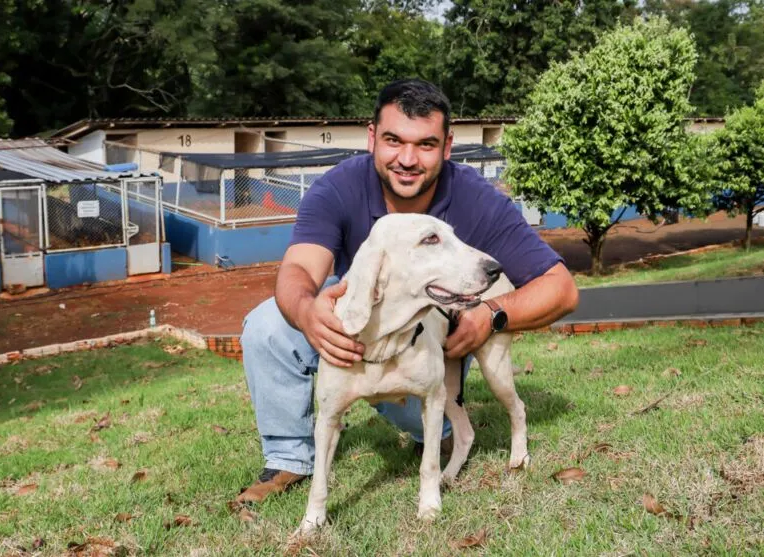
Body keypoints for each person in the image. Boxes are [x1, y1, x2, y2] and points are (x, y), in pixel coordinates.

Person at [237, 79, 579, 503]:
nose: (407, 159)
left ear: (447, 146)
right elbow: (299, 270)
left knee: (429, 419)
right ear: (372, 138)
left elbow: (561, 289)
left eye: (426, 144)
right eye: (393, 140)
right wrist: (307, 313)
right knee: (268, 324)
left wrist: (489, 314)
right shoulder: (337, 187)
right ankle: (288, 458)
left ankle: (441, 431)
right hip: (359, 322)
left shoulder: (475, 199)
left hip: (425, 341)